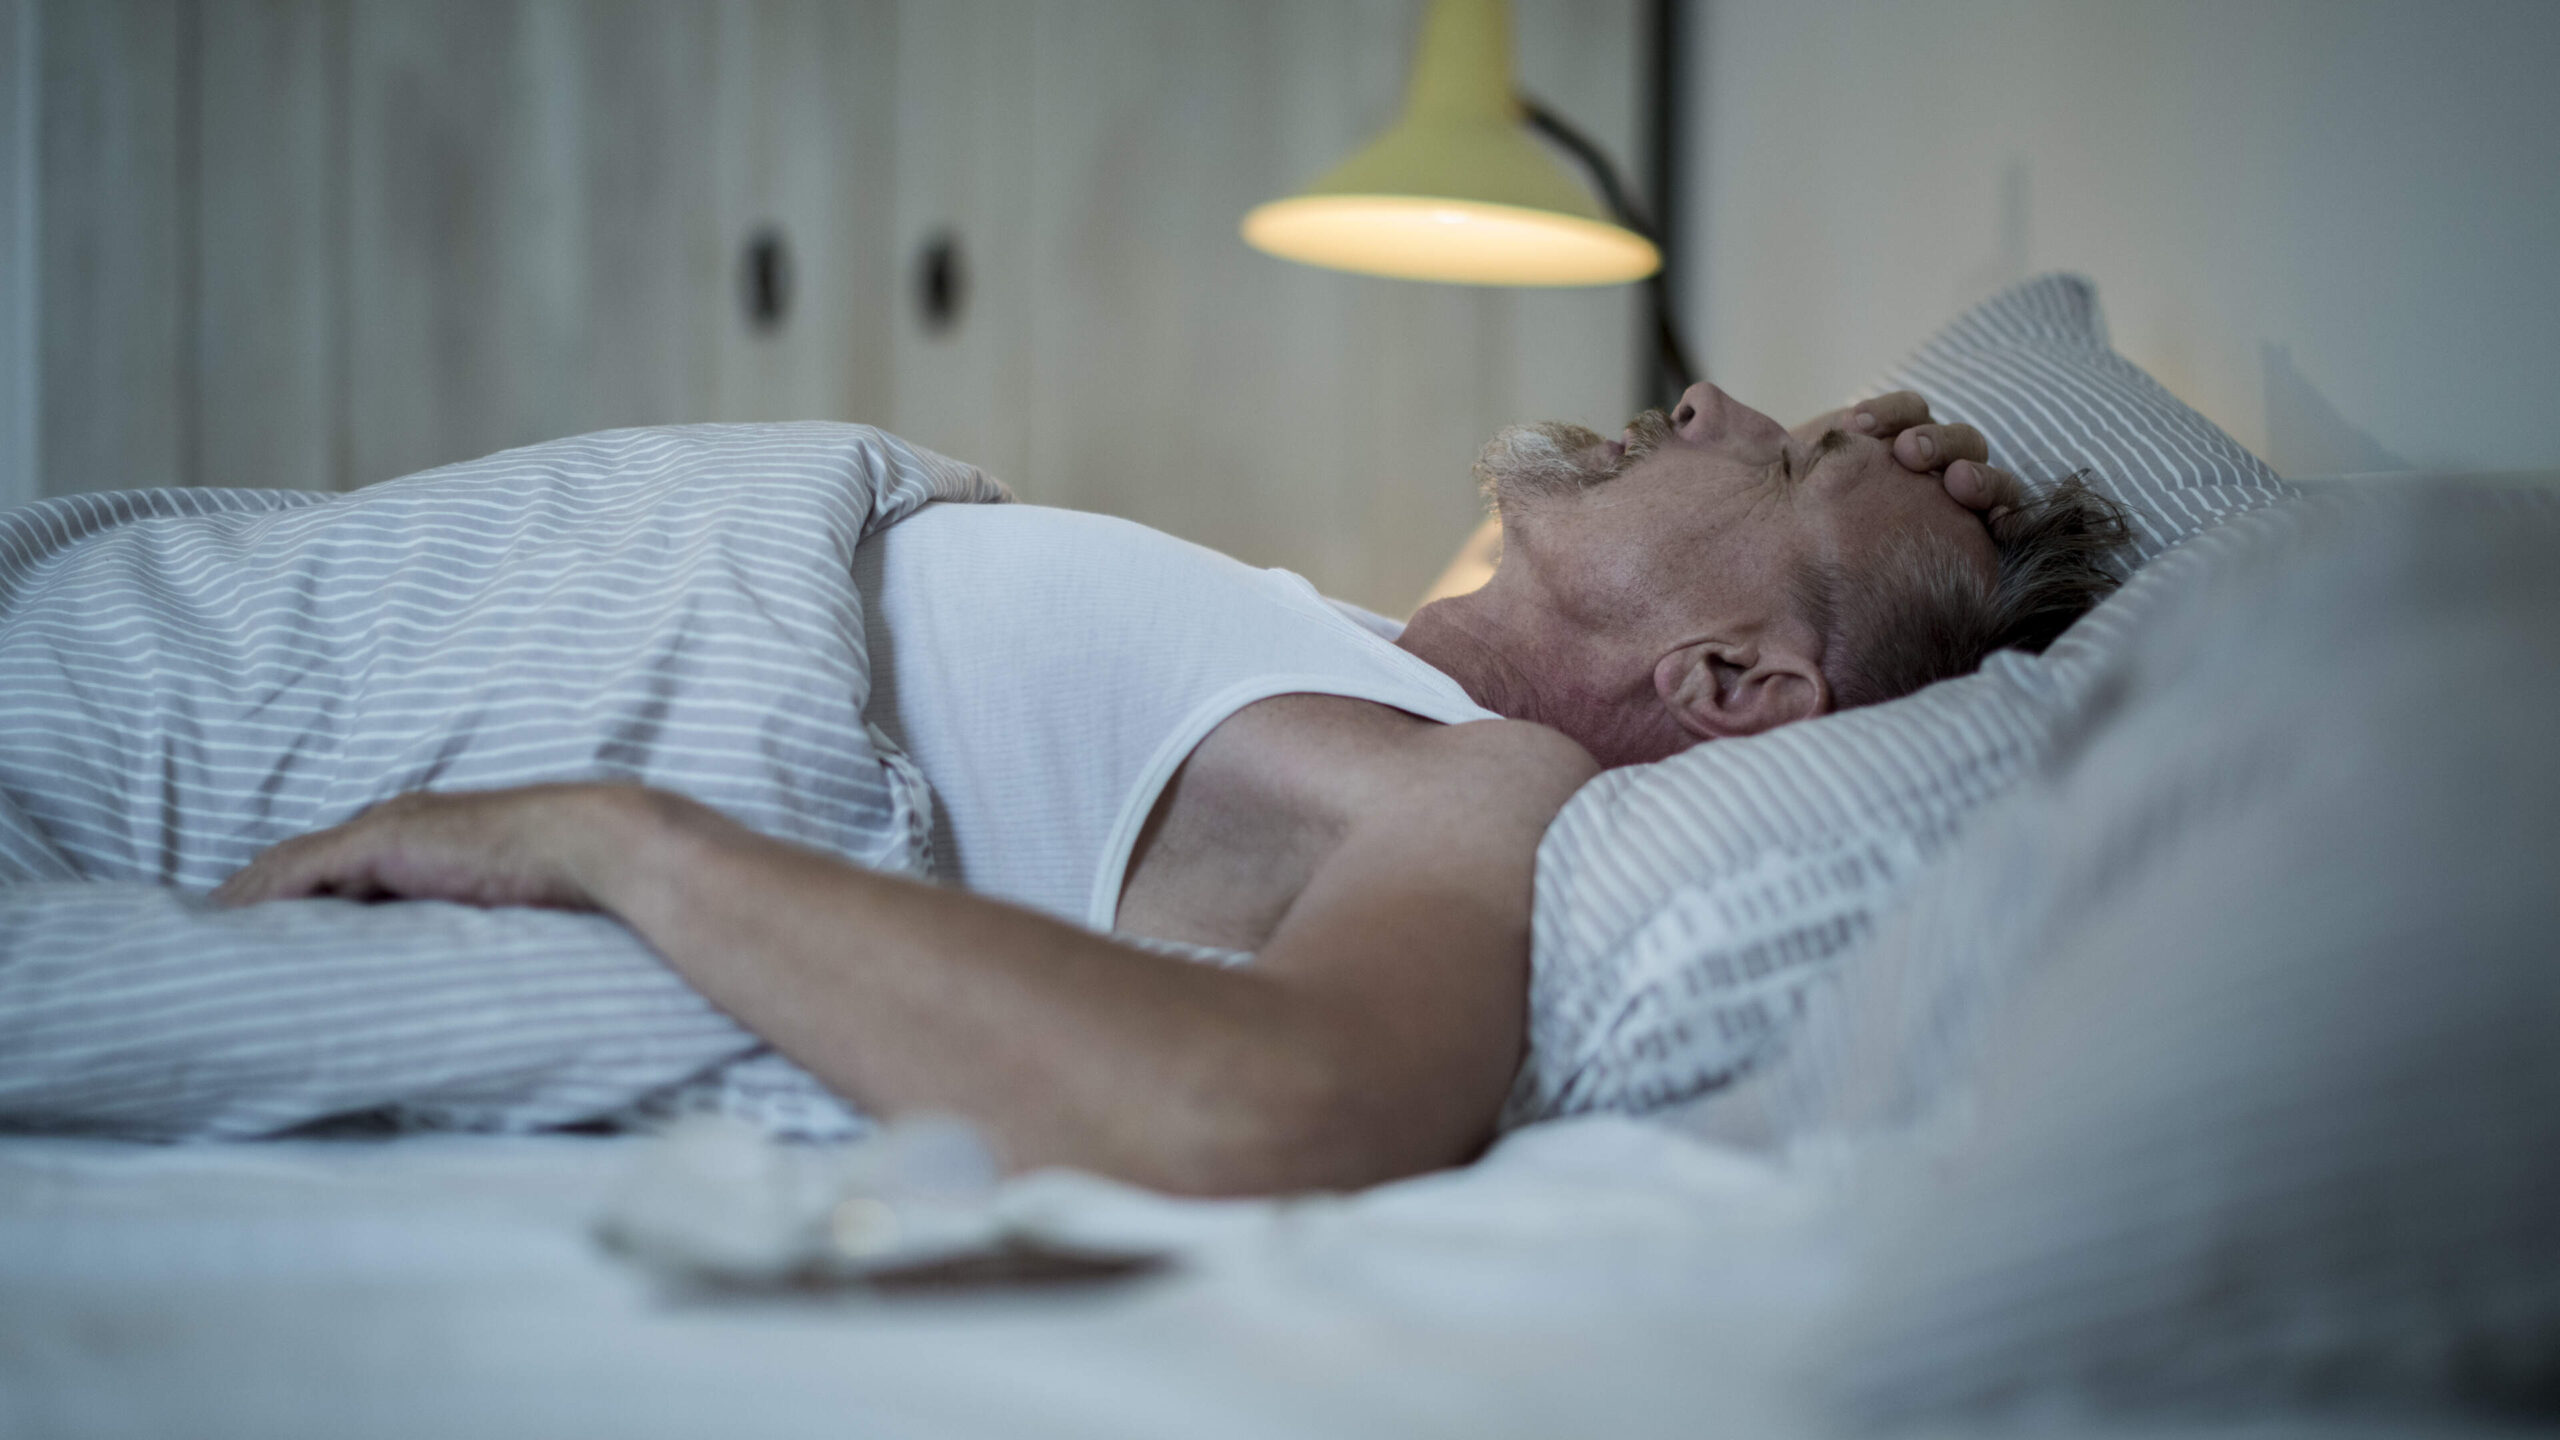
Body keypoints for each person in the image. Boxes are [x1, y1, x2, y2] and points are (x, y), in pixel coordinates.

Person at [212, 383, 2130, 1195]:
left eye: (1782, 458)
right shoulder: (1364, 649)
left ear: (1726, 685)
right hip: (284, 613)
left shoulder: (1481, 780)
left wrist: (612, 836)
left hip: (315, 726)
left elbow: (1284, 1099)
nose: (1707, 401)